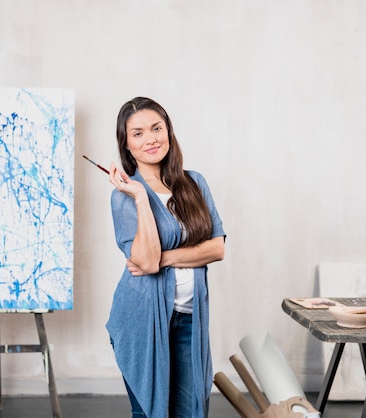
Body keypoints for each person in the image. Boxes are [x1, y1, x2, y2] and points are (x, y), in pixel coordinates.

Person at [105, 97, 226, 418]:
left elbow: (217, 249)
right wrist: (141, 197)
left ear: (169, 133)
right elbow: (144, 262)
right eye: (138, 133)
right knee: (151, 413)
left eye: (157, 128)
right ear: (127, 145)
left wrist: (165, 258)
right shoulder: (125, 197)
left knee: (191, 411)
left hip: (189, 320)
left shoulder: (194, 183)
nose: (151, 139)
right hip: (141, 320)